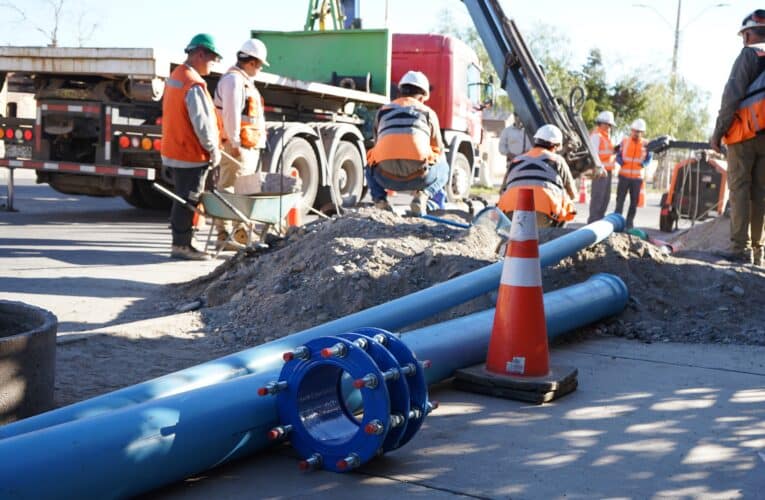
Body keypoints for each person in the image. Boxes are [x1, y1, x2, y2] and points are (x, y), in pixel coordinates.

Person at [161, 33, 222, 261]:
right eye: (212, 58)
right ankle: (182, 245)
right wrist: (213, 149)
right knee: (188, 199)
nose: (214, 63)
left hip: (176, 148)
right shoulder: (193, 84)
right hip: (190, 152)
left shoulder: (177, 76)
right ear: (199, 54)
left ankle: (184, 240)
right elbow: (202, 123)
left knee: (183, 198)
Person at [711, 10, 765, 265]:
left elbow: (731, 97)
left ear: (749, 34)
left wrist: (718, 132)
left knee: (740, 189)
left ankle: (738, 249)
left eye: (745, 34)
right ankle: (759, 253)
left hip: (744, 135)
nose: (743, 39)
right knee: (761, 192)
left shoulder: (749, 54)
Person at [365, 70, 449, 216]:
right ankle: (424, 195)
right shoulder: (427, 112)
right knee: (444, 165)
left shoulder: (383, 111)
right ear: (422, 98)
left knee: (370, 161)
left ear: (401, 92)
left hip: (385, 178)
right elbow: (438, 148)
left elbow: (377, 143)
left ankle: (380, 202)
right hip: (420, 177)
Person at [212, 38, 269, 251]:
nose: (260, 69)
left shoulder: (242, 81)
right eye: (260, 64)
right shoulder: (233, 81)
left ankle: (239, 233)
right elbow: (231, 114)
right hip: (237, 147)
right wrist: (234, 142)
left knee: (241, 191)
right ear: (252, 62)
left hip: (247, 146)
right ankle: (225, 235)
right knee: (230, 190)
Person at [497, 124, 577, 228]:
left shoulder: (516, 160)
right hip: (543, 215)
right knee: (567, 203)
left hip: (510, 213)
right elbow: (573, 194)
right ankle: (553, 239)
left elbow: (502, 191)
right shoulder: (557, 161)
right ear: (555, 146)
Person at [614, 118, 651, 229]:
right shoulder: (624, 141)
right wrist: (621, 162)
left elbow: (649, 158)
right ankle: (616, 221)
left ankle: (629, 223)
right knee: (620, 200)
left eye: (639, 132)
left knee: (633, 202)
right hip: (624, 176)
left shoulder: (646, 144)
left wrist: (643, 164)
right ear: (631, 130)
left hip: (636, 178)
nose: (636, 133)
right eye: (634, 131)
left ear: (642, 132)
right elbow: (618, 155)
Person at [587, 110, 616, 223]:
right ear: (602, 123)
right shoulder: (596, 136)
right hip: (600, 171)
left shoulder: (606, 137)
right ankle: (593, 222)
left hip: (607, 171)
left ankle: (598, 222)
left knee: (605, 199)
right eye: (609, 125)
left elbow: (607, 153)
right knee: (598, 199)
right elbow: (594, 155)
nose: (610, 127)